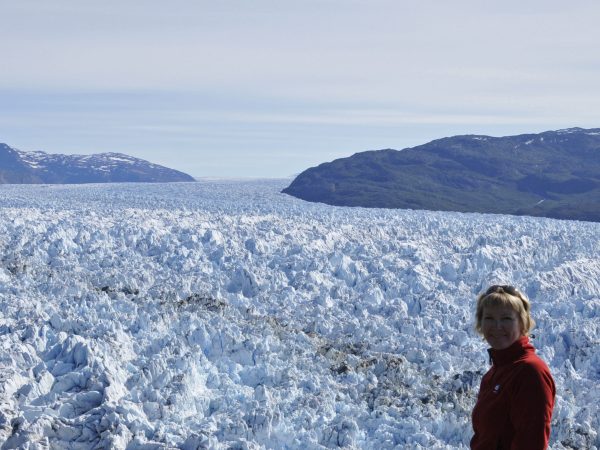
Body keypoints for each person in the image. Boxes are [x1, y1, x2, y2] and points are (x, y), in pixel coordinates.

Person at [470, 285, 555, 450]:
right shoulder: (495, 373)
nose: (497, 326)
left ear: (523, 324)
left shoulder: (530, 372)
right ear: (480, 323)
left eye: (506, 318)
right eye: (489, 318)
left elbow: (532, 443)